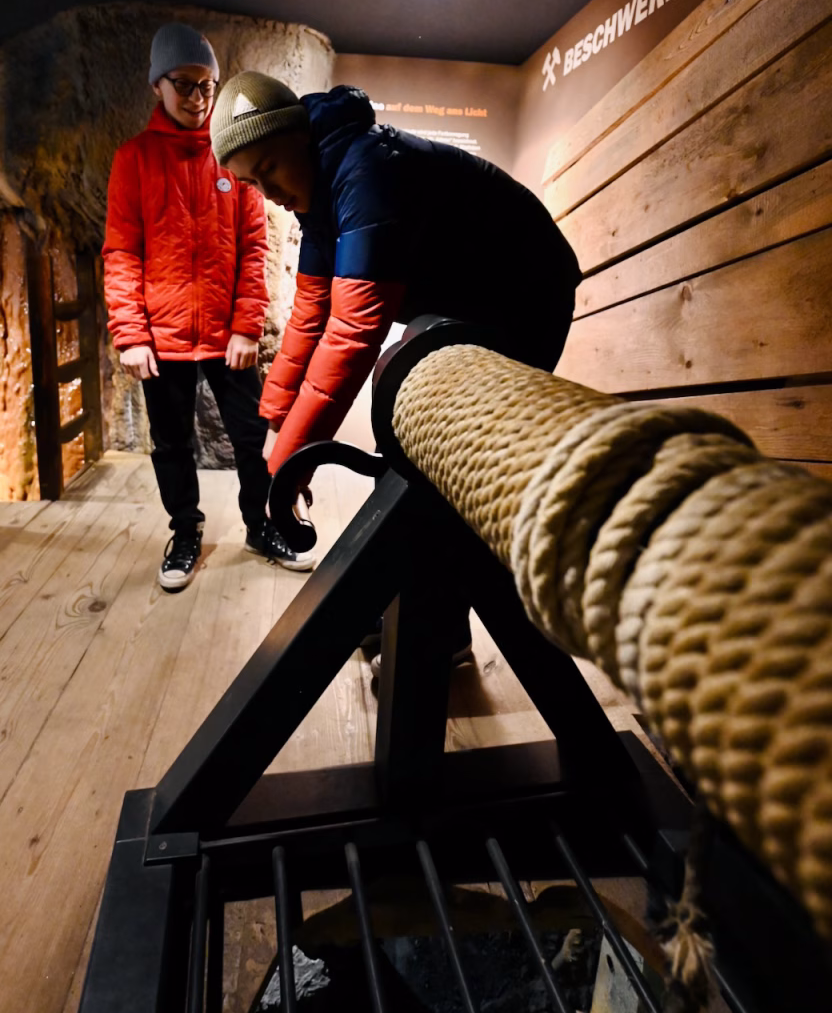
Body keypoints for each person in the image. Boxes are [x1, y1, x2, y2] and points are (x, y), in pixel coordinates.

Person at [209, 71, 582, 661]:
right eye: (253, 183)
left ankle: (441, 633)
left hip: (524, 293)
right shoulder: (323, 189)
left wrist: (290, 464)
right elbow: (311, 313)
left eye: (270, 168)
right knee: (430, 463)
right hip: (466, 302)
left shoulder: (366, 171)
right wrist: (277, 423)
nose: (268, 192)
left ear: (298, 137)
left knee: (460, 465)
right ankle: (428, 619)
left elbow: (355, 331)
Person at [103, 26, 314, 591]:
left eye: (207, 87)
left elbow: (253, 247)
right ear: (158, 86)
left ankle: (262, 524)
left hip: (229, 335)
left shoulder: (231, 156)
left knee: (251, 435)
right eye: (186, 86)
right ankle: (186, 531)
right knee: (172, 443)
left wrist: (247, 325)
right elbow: (121, 250)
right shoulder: (134, 159)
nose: (198, 99)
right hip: (160, 334)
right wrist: (131, 333)